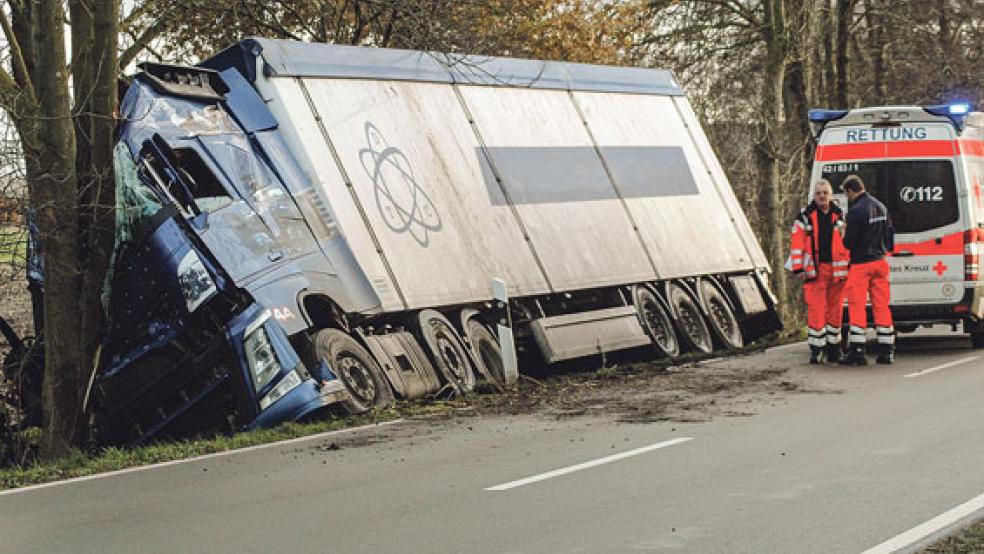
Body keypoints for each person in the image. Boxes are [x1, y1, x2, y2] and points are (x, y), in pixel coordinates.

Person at [786, 179, 850, 364]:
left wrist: (848, 264)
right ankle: (816, 348)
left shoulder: (840, 215)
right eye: (818, 193)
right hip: (815, 269)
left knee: (835, 310)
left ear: (831, 195)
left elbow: (847, 242)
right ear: (814, 195)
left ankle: (834, 348)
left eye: (825, 193)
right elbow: (797, 243)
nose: (822, 196)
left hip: (836, 271)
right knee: (816, 309)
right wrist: (798, 268)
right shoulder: (805, 216)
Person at [839, 174, 896, 365]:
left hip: (861, 264)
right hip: (880, 262)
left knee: (857, 305)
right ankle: (887, 350)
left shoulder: (855, 211)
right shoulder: (880, 206)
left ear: (849, 191)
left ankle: (857, 351)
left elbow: (849, 243)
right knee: (882, 305)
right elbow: (890, 234)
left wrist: (842, 233)